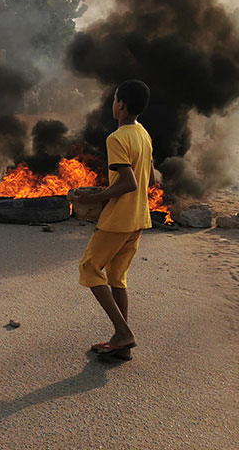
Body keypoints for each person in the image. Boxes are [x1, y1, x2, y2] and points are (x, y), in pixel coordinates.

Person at [70, 80, 154, 362]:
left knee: (90, 268)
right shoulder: (143, 134)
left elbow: (128, 182)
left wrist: (95, 197)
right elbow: (151, 178)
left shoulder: (116, 139)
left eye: (115, 98)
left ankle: (124, 333)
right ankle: (123, 345)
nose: (113, 102)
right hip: (139, 217)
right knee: (117, 277)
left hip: (118, 219)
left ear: (122, 106)